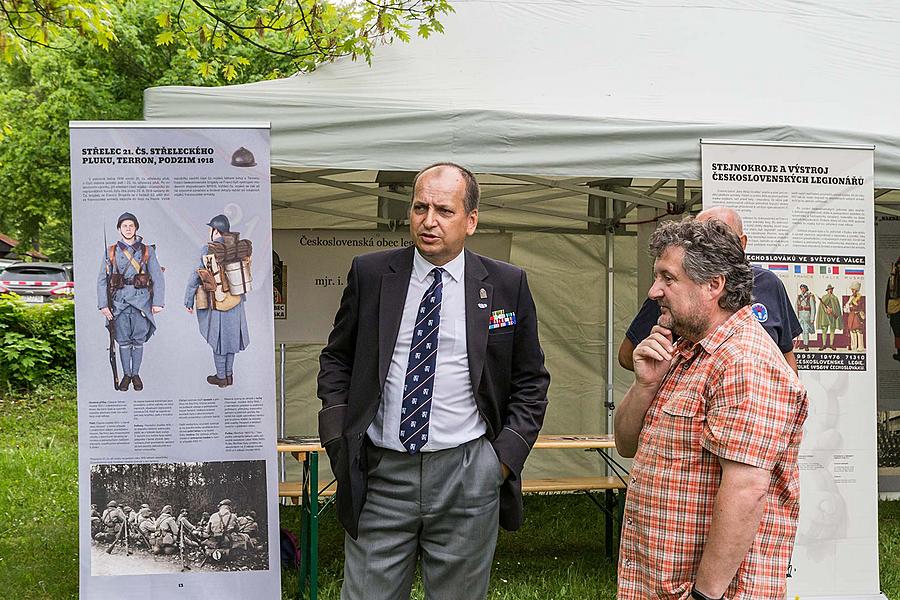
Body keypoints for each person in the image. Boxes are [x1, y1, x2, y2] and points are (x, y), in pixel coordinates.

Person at [318, 162, 550, 600]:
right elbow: (337, 358)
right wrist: (337, 436)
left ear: (471, 220)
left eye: (444, 210)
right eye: (420, 207)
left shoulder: (505, 284)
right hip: (382, 473)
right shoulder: (371, 274)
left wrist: (499, 462)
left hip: (467, 475)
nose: (429, 221)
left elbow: (531, 379)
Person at [614, 218, 807, 600]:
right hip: (660, 580)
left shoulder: (744, 360)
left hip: (709, 591)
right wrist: (645, 385)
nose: (654, 291)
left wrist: (705, 595)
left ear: (713, 285)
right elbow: (625, 444)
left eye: (668, 279)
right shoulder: (685, 349)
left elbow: (747, 489)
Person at [618, 207, 801, 373]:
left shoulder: (768, 283)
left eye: (719, 237)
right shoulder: (673, 290)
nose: (706, 247)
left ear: (742, 243)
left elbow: (786, 353)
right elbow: (628, 355)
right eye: (697, 241)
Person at [97, 212, 165, 391]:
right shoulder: (111, 251)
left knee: (138, 340)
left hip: (141, 301)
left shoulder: (146, 250)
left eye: (131, 225)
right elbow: (102, 279)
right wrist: (103, 304)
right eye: (124, 226)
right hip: (118, 302)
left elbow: (158, 277)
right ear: (119, 229)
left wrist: (158, 302)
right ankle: (127, 375)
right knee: (123, 341)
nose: (128, 228)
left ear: (136, 228)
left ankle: (136, 374)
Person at [184, 214, 251, 388]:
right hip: (236, 300)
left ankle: (221, 377)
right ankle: (229, 376)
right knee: (231, 339)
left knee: (219, 340)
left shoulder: (208, 249)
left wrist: (188, 300)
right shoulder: (237, 247)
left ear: (216, 230)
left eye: (211, 228)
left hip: (218, 301)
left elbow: (195, 275)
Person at [816, 284, 843, 350]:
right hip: (825, 316)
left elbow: (837, 308)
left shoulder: (835, 298)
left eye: (831, 289)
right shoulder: (824, 297)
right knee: (824, 330)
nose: (830, 290)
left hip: (832, 316)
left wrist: (832, 311)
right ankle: (824, 344)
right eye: (829, 289)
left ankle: (831, 344)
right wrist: (826, 310)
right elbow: (822, 306)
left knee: (832, 330)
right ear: (827, 290)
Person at [844, 281, 866, 351]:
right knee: (852, 331)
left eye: (853, 289)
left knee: (859, 331)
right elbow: (848, 305)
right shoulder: (851, 297)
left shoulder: (860, 297)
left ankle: (860, 346)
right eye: (852, 289)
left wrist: (851, 307)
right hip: (851, 315)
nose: (852, 291)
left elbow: (859, 307)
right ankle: (853, 346)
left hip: (857, 316)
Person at [887, 257, 900, 362]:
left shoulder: (892, 278)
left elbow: (888, 295)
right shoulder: (892, 278)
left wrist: (887, 310)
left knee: (898, 332)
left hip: (894, 309)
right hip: (895, 309)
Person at [796, 283, 817, 349]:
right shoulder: (799, 297)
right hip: (801, 315)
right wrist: (796, 316)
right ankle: (804, 343)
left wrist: (812, 318)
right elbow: (796, 307)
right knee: (802, 331)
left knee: (806, 331)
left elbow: (813, 308)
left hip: (807, 315)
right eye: (801, 289)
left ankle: (806, 345)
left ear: (806, 289)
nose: (802, 290)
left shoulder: (809, 296)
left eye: (803, 289)